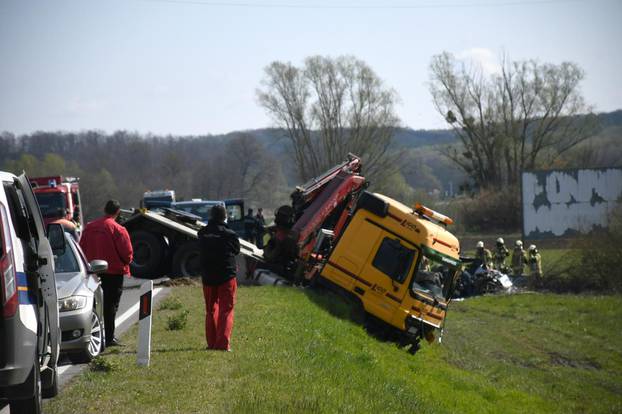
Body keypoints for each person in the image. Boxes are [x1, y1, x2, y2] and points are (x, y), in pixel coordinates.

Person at [80, 200, 133, 347]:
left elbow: (81, 248)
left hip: (92, 273)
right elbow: (127, 253)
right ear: (118, 212)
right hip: (113, 273)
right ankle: (109, 338)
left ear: (104, 209)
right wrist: (125, 262)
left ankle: (92, 335)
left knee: (92, 305)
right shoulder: (118, 229)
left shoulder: (89, 227)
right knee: (110, 306)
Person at [198, 204, 240, 351]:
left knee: (210, 310)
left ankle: (211, 343)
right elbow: (236, 250)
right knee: (226, 309)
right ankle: (222, 344)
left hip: (208, 276)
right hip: (226, 275)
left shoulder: (202, 233)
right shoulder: (229, 234)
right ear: (224, 217)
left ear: (211, 216)